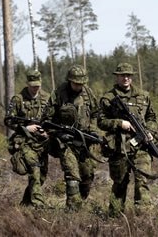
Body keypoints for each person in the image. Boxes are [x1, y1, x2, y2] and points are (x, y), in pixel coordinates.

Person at [98, 63, 158, 217]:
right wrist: (119, 123)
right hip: (119, 148)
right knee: (119, 184)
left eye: (128, 75)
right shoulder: (108, 98)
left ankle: (143, 218)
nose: (126, 78)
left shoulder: (143, 96)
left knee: (142, 181)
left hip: (141, 147)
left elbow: (151, 117)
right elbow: (101, 121)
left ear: (132, 77)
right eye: (122, 75)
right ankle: (114, 218)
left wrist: (150, 131)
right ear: (117, 77)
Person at [42, 65, 100, 211]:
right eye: (76, 83)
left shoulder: (88, 93)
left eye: (81, 83)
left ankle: (81, 200)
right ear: (70, 81)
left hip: (85, 142)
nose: (79, 86)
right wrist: (58, 133)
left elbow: (95, 113)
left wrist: (92, 131)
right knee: (72, 175)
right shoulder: (58, 94)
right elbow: (47, 119)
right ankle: (73, 210)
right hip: (65, 142)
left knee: (87, 175)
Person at [7, 70, 51, 208]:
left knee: (42, 176)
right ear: (27, 84)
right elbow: (9, 120)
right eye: (32, 85)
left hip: (41, 142)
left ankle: (25, 203)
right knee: (35, 170)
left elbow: (52, 119)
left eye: (37, 85)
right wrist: (26, 128)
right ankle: (39, 205)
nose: (35, 88)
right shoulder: (18, 99)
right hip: (25, 142)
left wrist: (46, 131)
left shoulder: (47, 98)